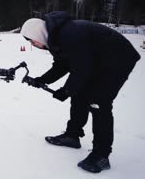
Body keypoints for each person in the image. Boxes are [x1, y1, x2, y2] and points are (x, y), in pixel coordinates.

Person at [20, 11, 140, 173]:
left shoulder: (69, 35)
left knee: (98, 102)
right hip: (98, 60)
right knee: (79, 93)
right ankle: (72, 135)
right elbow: (63, 65)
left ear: (39, 34)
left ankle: (101, 155)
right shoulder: (55, 37)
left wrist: (66, 90)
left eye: (31, 40)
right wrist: (43, 80)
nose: (32, 44)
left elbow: (81, 69)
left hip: (117, 60)